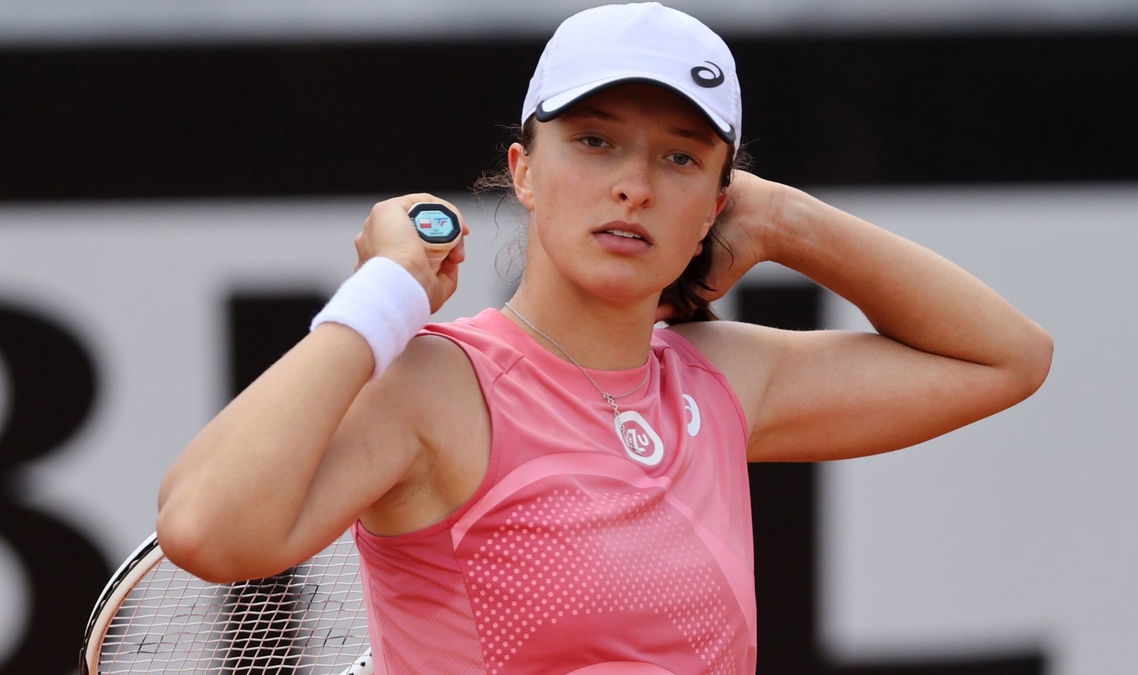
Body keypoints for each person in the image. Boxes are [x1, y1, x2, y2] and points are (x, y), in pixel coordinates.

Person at [156, 3, 1053, 673]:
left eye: (680, 157)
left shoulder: (722, 377)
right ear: (524, 171)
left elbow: (1009, 356)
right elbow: (207, 529)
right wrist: (385, 295)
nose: (634, 186)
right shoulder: (435, 386)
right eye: (594, 141)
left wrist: (781, 218)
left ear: (716, 201)